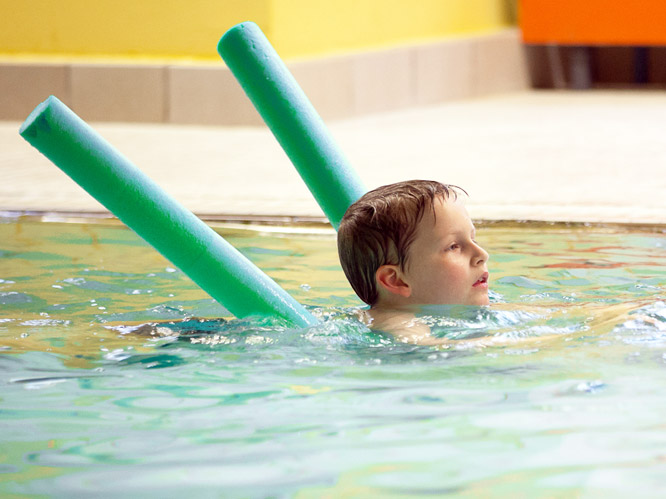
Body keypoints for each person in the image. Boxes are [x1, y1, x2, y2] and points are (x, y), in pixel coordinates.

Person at [337, 180, 490, 345]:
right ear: (396, 280)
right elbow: (432, 349)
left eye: (473, 239)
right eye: (453, 246)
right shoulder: (395, 321)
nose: (482, 254)